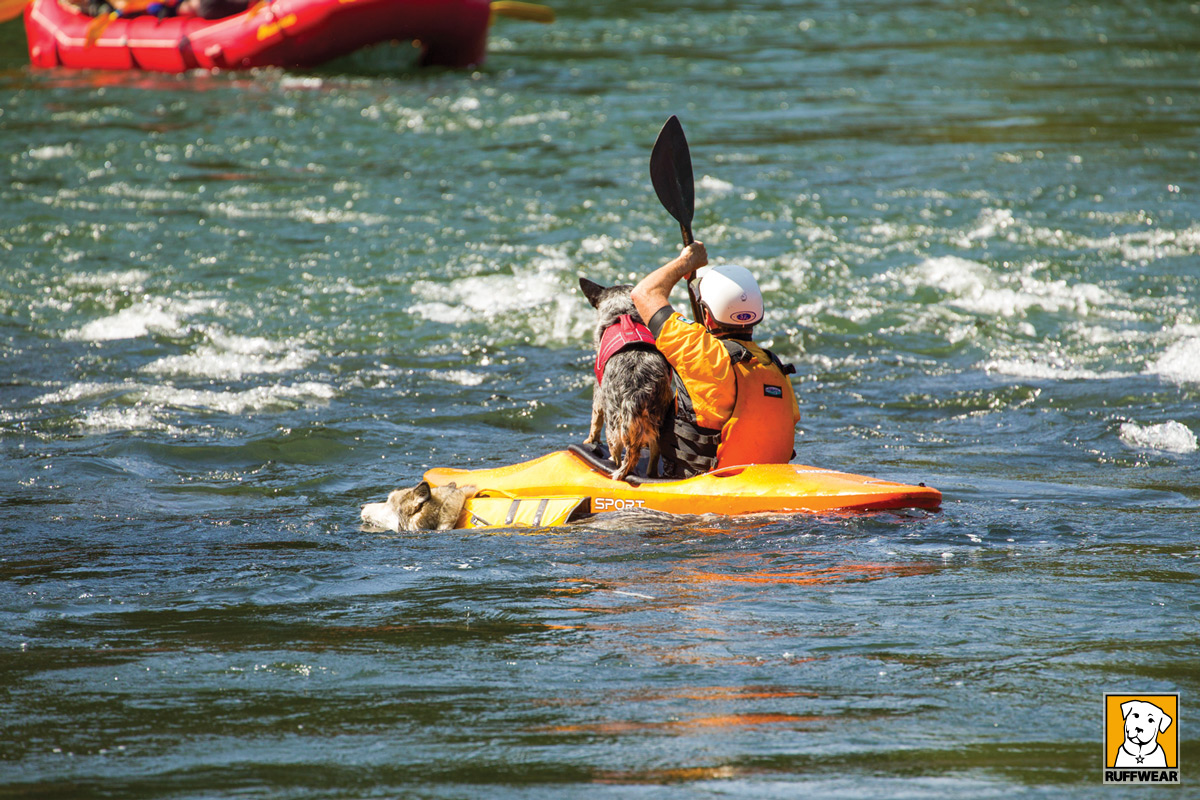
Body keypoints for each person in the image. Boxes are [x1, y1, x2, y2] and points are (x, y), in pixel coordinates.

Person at [630, 242, 800, 478]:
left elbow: (644, 293)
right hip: (762, 481)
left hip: (703, 485)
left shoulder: (698, 350)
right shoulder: (774, 367)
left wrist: (685, 262)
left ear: (707, 317)